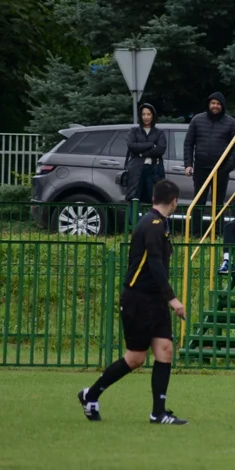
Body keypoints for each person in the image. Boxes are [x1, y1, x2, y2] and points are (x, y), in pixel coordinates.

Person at [77, 179, 188, 425]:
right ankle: (90, 395)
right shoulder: (152, 225)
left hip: (154, 299)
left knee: (165, 350)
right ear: (174, 200)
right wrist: (173, 299)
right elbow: (155, 264)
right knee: (136, 358)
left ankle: (158, 413)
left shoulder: (159, 223)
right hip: (138, 299)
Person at [184, 91, 235, 232]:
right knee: (199, 202)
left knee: (218, 203)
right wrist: (188, 164)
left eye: (218, 104)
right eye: (213, 103)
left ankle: (218, 233)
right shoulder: (197, 120)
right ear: (208, 104)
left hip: (220, 170)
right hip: (201, 168)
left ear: (222, 106)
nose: (215, 106)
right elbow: (188, 143)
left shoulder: (231, 123)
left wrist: (226, 168)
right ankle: (195, 233)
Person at [123, 103, 166, 206]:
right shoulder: (134, 131)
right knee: (134, 198)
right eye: (143, 114)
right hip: (136, 169)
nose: (146, 117)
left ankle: (153, 221)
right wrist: (151, 144)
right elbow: (131, 145)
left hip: (154, 169)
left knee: (155, 198)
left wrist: (141, 153)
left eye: (149, 114)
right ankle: (134, 222)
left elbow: (160, 150)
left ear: (153, 116)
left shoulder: (159, 133)